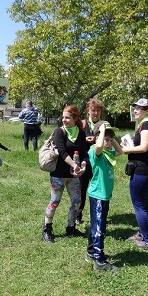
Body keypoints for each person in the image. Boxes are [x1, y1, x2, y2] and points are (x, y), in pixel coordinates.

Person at [42, 106, 88, 244]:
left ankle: (71, 227)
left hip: (74, 175)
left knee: (77, 201)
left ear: (75, 118)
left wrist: (84, 166)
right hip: (58, 174)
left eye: (67, 117)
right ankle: (47, 229)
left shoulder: (80, 133)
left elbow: (84, 152)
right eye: (63, 117)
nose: (64, 120)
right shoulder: (59, 132)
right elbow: (62, 152)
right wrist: (75, 165)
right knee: (55, 201)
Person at [120, 98, 148, 251]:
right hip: (147, 169)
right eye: (135, 107)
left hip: (143, 170)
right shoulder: (147, 124)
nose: (136, 110)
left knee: (139, 205)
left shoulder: (147, 125)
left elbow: (143, 148)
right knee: (143, 203)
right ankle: (143, 234)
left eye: (140, 108)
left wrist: (125, 150)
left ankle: (147, 241)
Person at [85, 120, 122, 271]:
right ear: (96, 138)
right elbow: (99, 145)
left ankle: (91, 252)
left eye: (110, 139)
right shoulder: (96, 151)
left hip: (104, 195)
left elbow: (120, 151)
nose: (108, 142)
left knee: (96, 225)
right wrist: (102, 128)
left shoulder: (107, 153)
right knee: (99, 228)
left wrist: (112, 139)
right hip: (98, 196)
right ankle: (99, 262)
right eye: (106, 139)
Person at [77, 98, 104, 226]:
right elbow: (75, 142)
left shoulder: (103, 125)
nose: (95, 113)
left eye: (98, 110)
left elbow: (107, 143)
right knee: (81, 191)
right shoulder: (81, 124)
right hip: (83, 162)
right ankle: (77, 216)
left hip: (97, 163)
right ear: (88, 111)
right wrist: (84, 139)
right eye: (93, 110)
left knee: (98, 190)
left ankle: (97, 215)